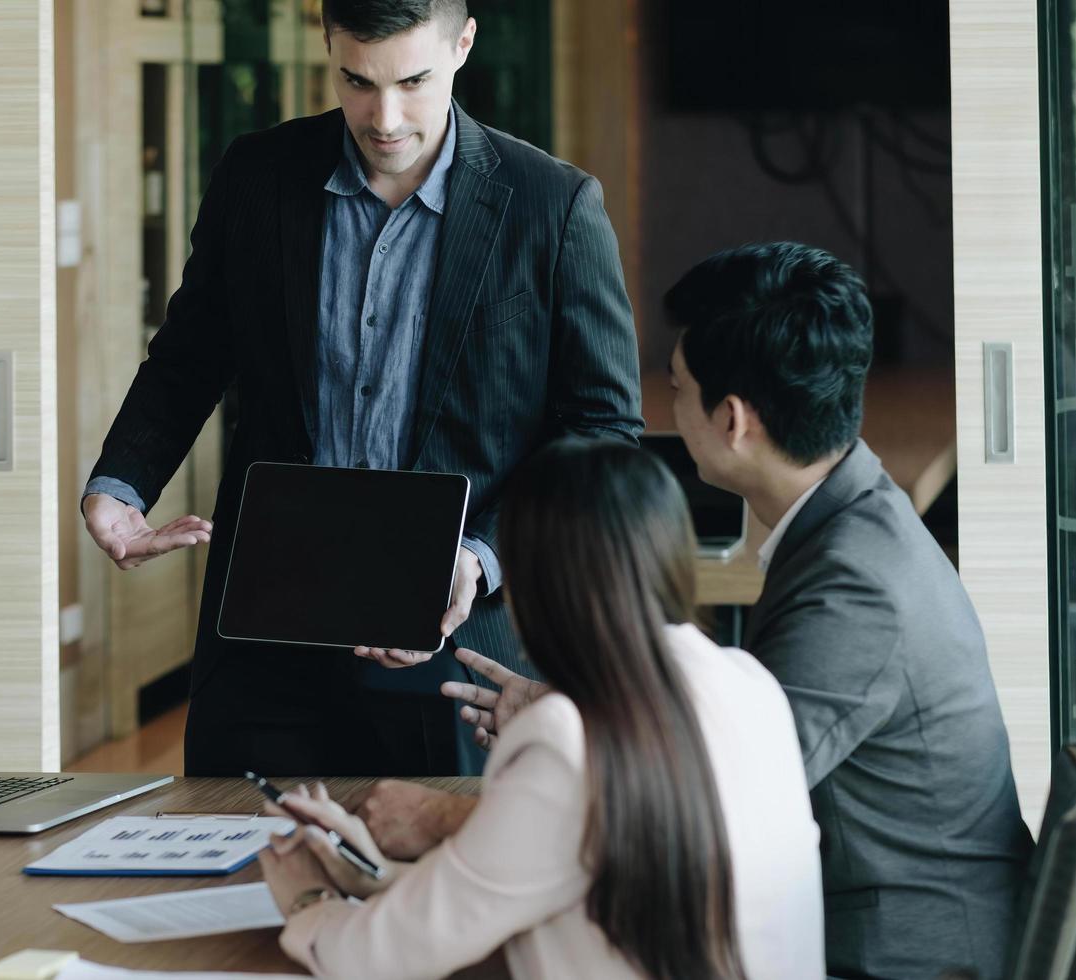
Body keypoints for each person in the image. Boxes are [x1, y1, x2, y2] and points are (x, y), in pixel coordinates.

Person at [360, 243, 1036, 979]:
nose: (665, 407)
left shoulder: (857, 587)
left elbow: (706, 810)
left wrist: (446, 821)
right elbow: (707, 757)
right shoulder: (849, 518)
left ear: (733, 420)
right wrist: (575, 716)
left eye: (676, 387)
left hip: (897, 958)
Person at [82, 0, 642, 776]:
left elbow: (602, 429)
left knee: (422, 879)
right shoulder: (257, 174)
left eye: (412, 80)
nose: (383, 117)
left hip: (452, 641)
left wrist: (480, 556)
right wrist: (120, 486)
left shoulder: (553, 205)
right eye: (356, 81)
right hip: (262, 635)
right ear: (329, 49)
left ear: (463, 44)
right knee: (234, 874)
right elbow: (190, 356)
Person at [256, 440, 823, 979]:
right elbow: (511, 898)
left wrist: (308, 899)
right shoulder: (750, 685)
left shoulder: (564, 740)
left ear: (533, 588)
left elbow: (382, 957)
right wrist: (364, 870)